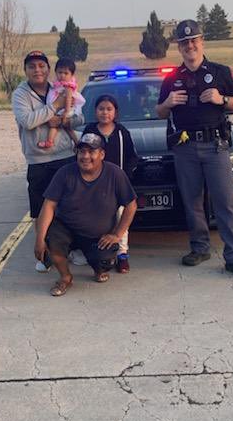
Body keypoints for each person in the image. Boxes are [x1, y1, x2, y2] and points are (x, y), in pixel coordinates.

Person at [156, 19, 233, 278]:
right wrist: (168, 102)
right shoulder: (172, 78)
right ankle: (200, 248)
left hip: (215, 146)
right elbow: (159, 112)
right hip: (185, 148)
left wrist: (222, 99)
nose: (190, 46)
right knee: (193, 202)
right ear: (179, 47)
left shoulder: (221, 72)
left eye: (193, 40)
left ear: (202, 42)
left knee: (225, 203)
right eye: (184, 42)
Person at [34, 133, 138, 296]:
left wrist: (117, 234)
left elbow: (131, 205)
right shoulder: (65, 173)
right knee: (50, 239)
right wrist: (39, 239)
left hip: (98, 234)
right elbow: (49, 205)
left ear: (102, 154)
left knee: (104, 260)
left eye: (92, 152)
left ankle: (98, 269)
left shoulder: (115, 173)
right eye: (82, 151)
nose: (86, 156)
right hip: (66, 228)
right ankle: (65, 277)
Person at [11, 50, 84, 271]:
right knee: (40, 210)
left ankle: (73, 248)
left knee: (70, 206)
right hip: (38, 160)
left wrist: (63, 120)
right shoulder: (20, 94)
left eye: (41, 66)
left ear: (48, 69)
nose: (37, 70)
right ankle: (45, 253)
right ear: (25, 71)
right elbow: (27, 121)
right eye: (32, 66)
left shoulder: (59, 86)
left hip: (65, 156)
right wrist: (54, 107)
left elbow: (79, 117)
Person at [83, 93, 139, 272]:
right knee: (96, 219)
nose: (104, 113)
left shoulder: (122, 132)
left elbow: (132, 157)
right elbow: (82, 155)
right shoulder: (90, 131)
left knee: (121, 216)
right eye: (101, 109)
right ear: (95, 111)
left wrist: (125, 176)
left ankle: (122, 254)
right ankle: (99, 252)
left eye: (109, 109)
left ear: (115, 112)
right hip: (93, 184)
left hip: (117, 185)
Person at [37, 58, 85, 149]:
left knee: (55, 125)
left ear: (72, 75)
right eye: (60, 72)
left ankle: (49, 141)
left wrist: (66, 112)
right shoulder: (57, 85)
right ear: (55, 72)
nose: (62, 75)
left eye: (66, 73)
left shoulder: (68, 86)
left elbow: (68, 99)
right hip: (60, 109)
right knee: (66, 128)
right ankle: (75, 142)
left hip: (66, 110)